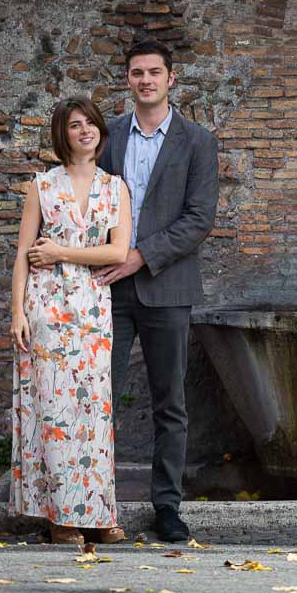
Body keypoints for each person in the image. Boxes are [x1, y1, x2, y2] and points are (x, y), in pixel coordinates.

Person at [94, 39, 219, 542]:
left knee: (171, 403)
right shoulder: (108, 136)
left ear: (171, 78)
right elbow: (90, 203)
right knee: (96, 398)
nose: (145, 80)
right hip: (108, 290)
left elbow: (198, 219)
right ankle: (93, 503)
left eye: (154, 72)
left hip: (167, 287)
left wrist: (140, 256)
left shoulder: (198, 141)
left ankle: (167, 506)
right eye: (136, 73)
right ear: (127, 80)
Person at [9, 96, 132, 545]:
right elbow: (23, 254)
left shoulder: (115, 187)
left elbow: (118, 251)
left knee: (93, 412)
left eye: (90, 123)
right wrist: (16, 311)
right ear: (62, 135)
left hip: (93, 309)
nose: (85, 131)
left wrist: (61, 251)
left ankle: (98, 514)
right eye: (74, 125)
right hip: (46, 308)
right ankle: (61, 516)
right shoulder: (41, 187)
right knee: (54, 411)